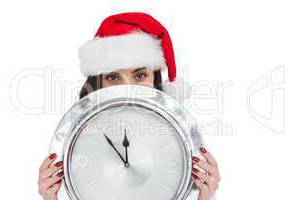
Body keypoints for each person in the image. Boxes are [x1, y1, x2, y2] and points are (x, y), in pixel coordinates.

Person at [38, 12, 220, 200]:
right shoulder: (76, 140)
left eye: (140, 76)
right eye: (113, 77)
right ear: (99, 83)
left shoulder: (179, 138)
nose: (127, 88)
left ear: (154, 79)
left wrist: (204, 197)